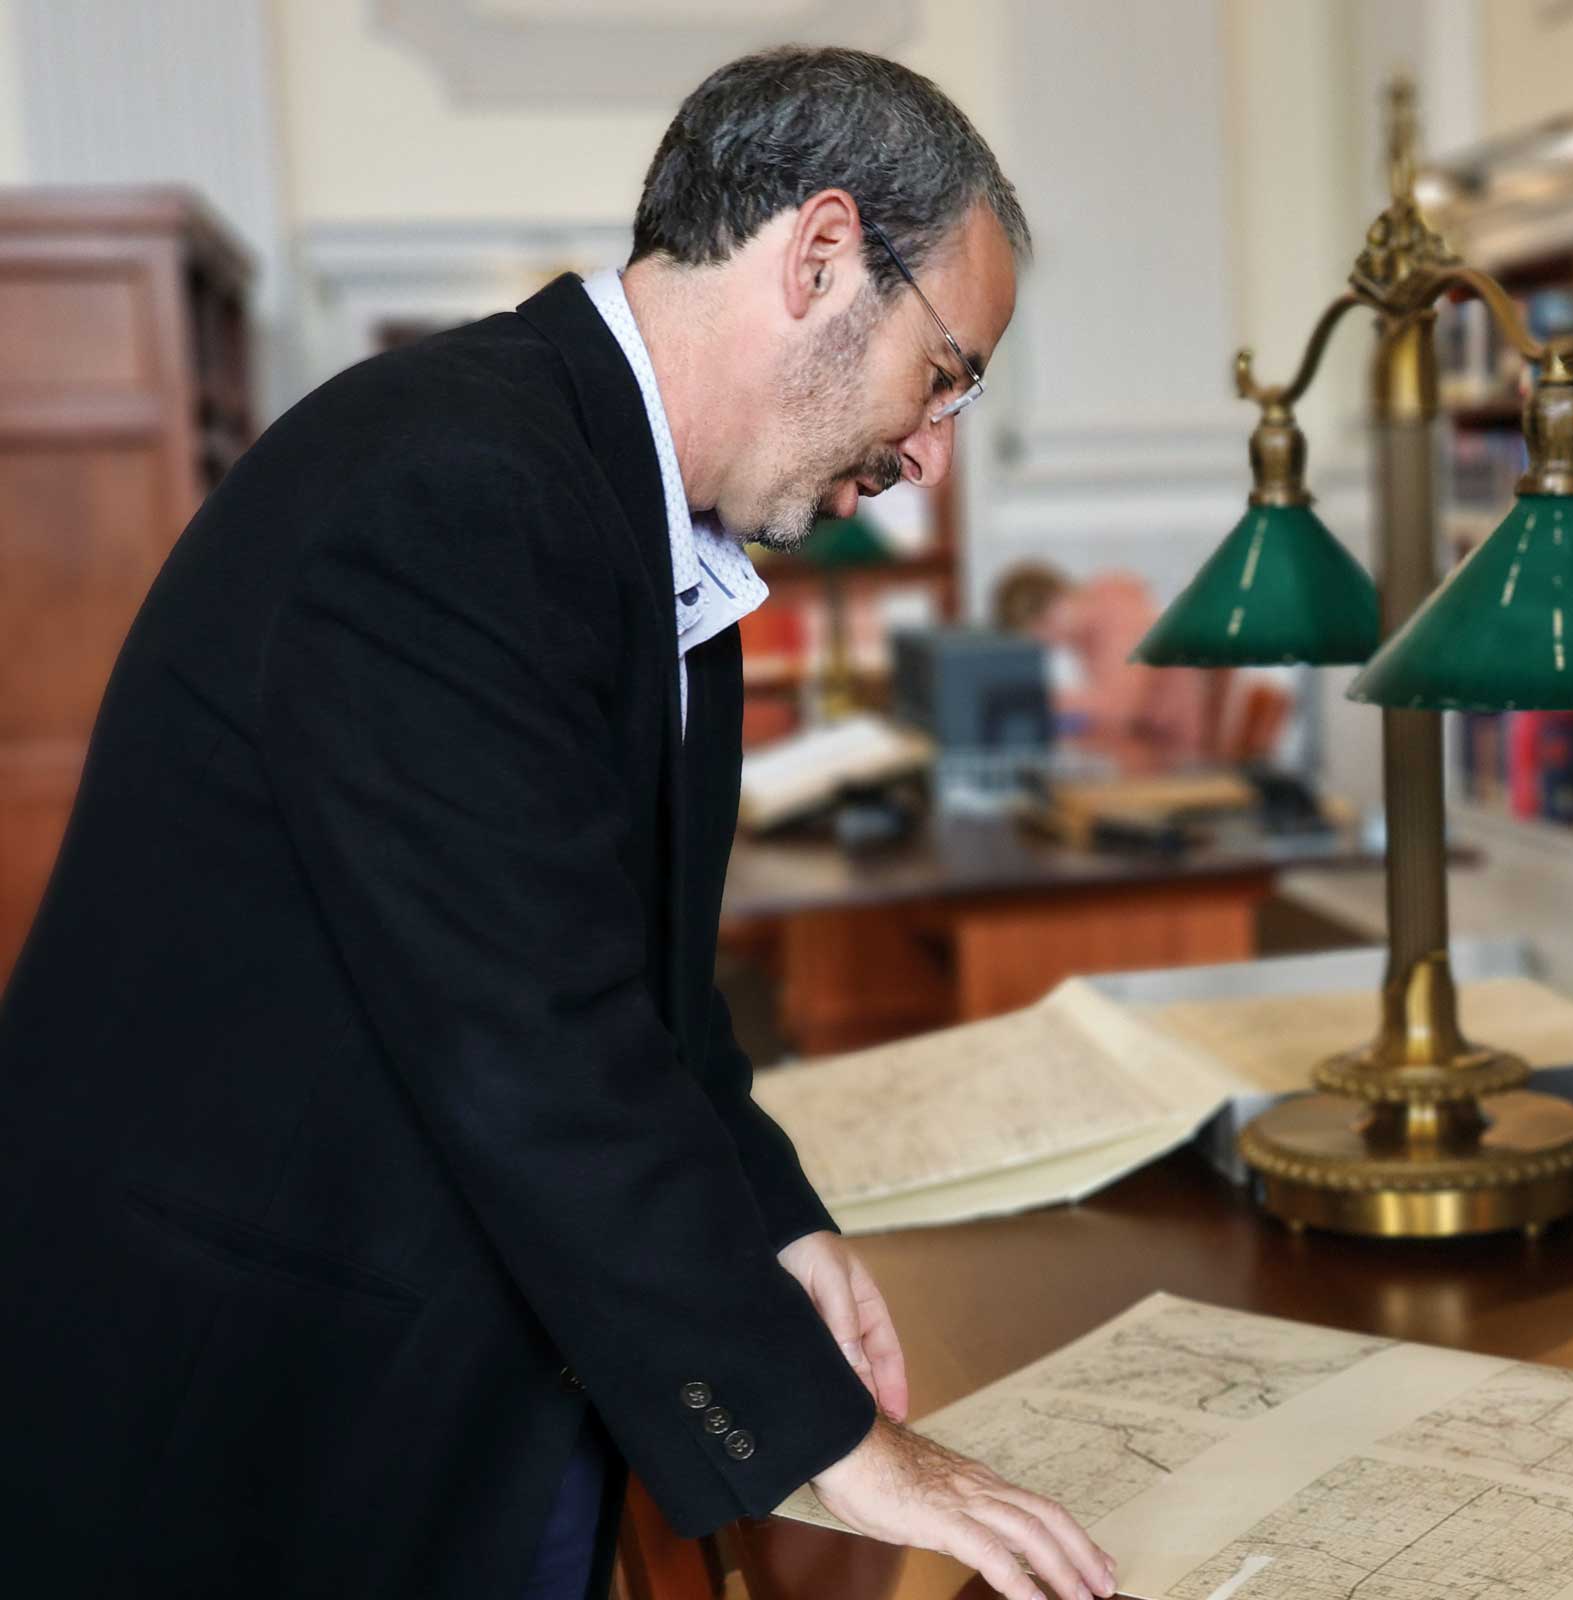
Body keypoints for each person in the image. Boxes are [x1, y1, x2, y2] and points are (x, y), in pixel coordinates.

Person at [0, 47, 1114, 1600]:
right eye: (945, 373)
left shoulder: (636, 516)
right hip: (256, 1395)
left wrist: (780, 1229)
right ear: (819, 255)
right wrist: (838, 1446)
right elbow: (534, 1040)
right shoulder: (450, 491)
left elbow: (631, 980)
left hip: (450, 1354)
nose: (933, 450)